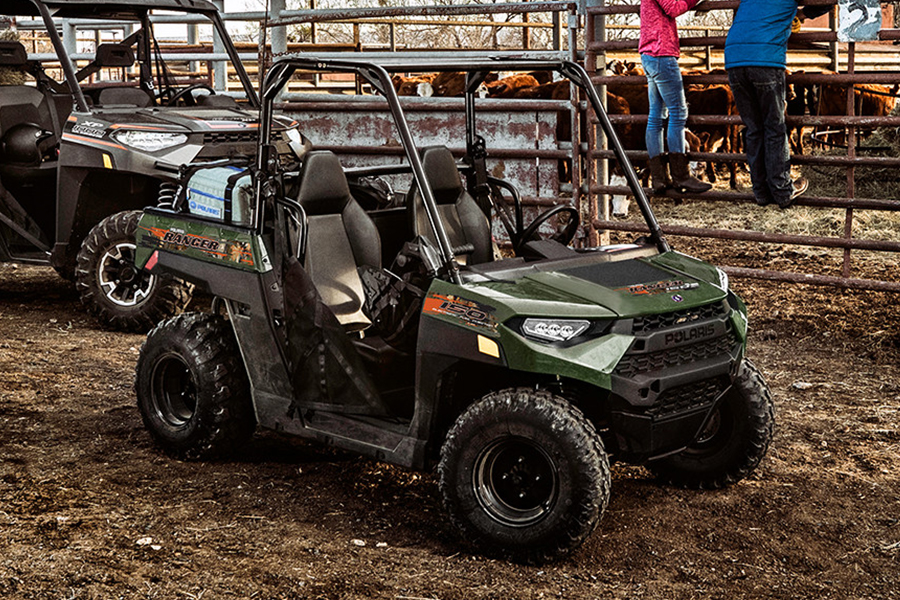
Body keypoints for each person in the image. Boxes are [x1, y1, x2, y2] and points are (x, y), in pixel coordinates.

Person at [724, 1, 831, 208]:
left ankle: (761, 192)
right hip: (765, 59)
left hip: (734, 58)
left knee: (754, 128)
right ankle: (782, 190)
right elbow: (825, 2)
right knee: (774, 126)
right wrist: (802, 13)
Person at [640, 0, 712, 194]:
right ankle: (681, 176)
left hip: (649, 53)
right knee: (678, 113)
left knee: (656, 116)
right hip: (661, 52)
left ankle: (659, 178)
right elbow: (673, 7)